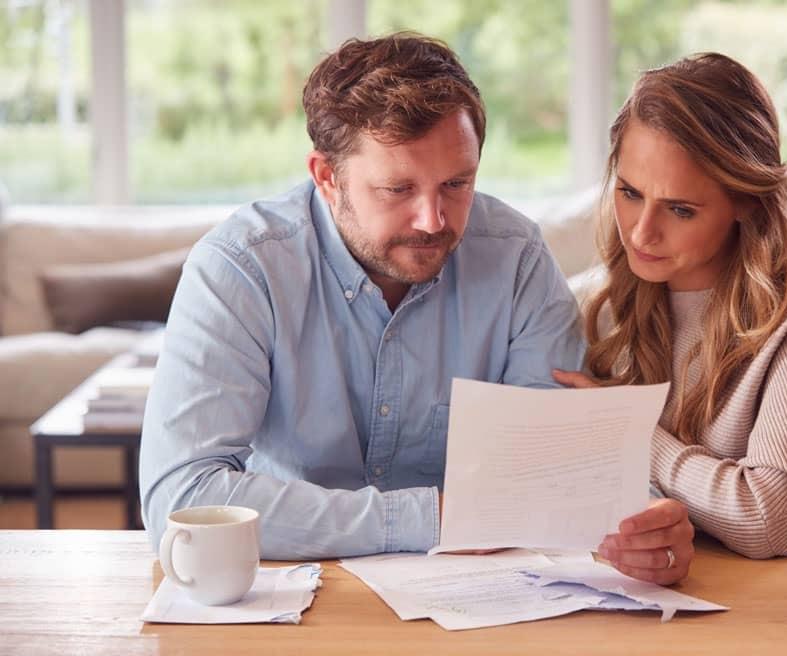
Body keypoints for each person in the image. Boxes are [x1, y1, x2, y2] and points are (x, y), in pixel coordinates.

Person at [139, 33, 694, 584]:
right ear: (327, 178)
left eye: (457, 182)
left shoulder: (515, 257)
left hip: (485, 594)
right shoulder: (241, 268)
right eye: (398, 189)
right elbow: (181, 499)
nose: (434, 220)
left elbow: (554, 468)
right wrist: (432, 519)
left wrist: (641, 529)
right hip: (296, 592)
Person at [555, 53, 787, 561]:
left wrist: (625, 433)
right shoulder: (599, 304)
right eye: (630, 193)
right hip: (704, 579)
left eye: (681, 209)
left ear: (746, 200)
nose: (641, 232)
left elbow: (771, 520)